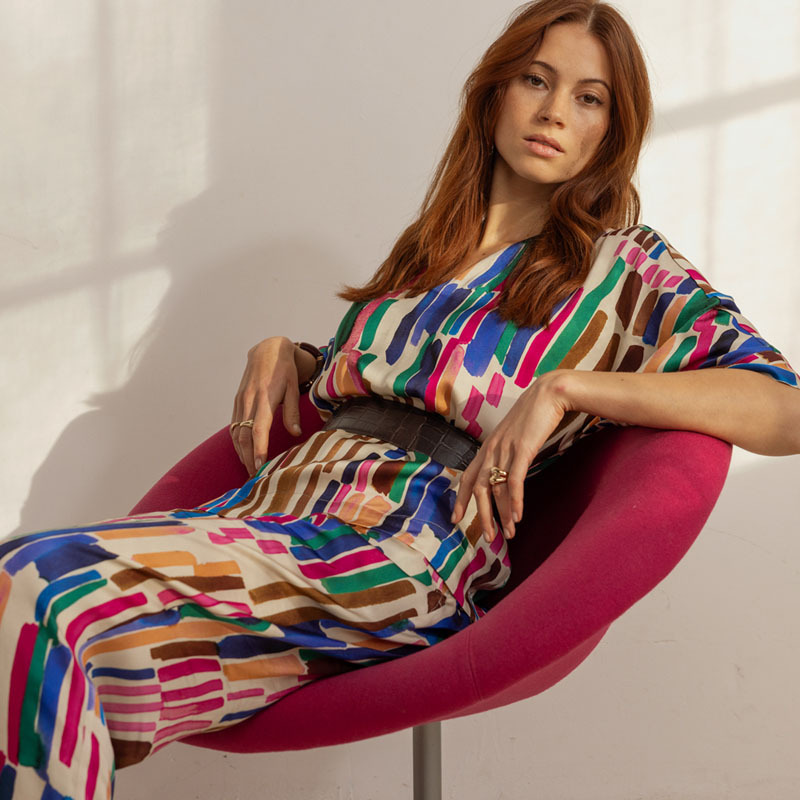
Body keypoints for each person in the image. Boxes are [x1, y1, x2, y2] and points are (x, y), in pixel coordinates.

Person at [2, 1, 799, 798]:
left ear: (611, 130)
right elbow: (376, 379)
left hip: (394, 546)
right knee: (41, 654)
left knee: (31, 583)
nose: (555, 111)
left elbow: (784, 410)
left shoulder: (625, 269)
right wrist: (291, 353)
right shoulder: (428, 250)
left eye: (588, 98)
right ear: (495, 93)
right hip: (272, 513)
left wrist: (565, 388)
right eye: (536, 80)